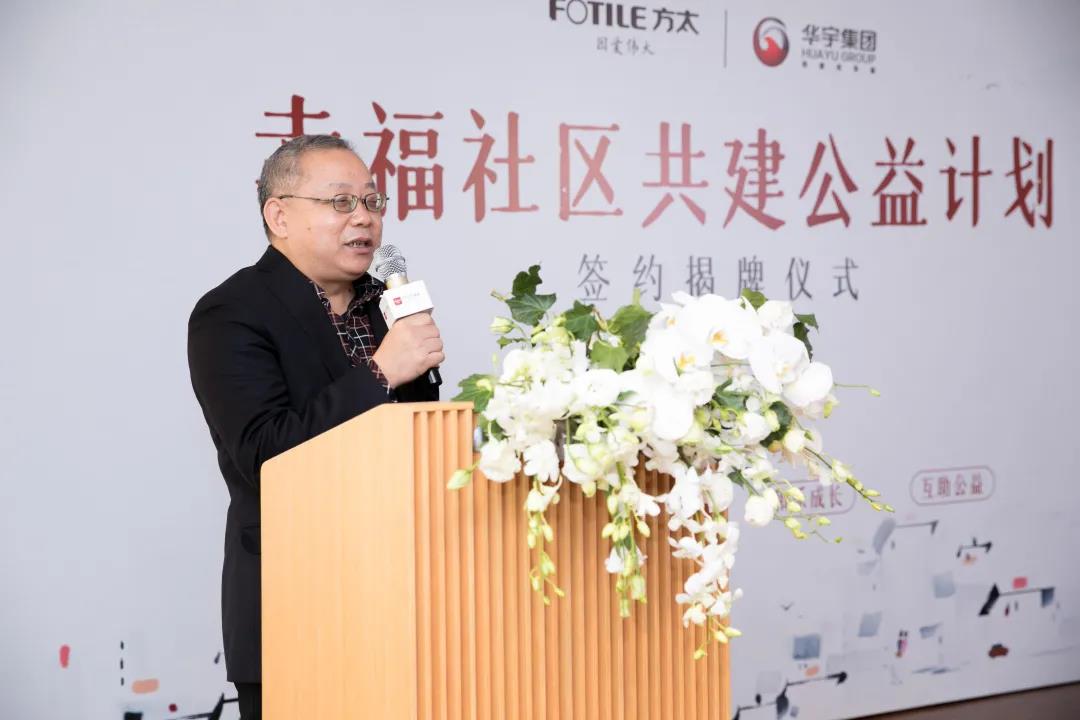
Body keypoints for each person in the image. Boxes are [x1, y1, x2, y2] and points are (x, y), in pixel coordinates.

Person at [187, 134, 443, 720]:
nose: (364, 218)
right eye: (340, 202)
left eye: (372, 202)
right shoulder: (231, 313)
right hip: (297, 603)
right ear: (278, 216)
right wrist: (381, 373)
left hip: (407, 597)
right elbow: (265, 453)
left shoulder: (388, 303)